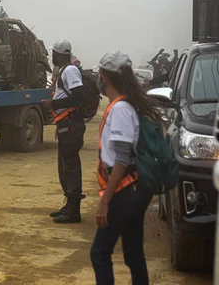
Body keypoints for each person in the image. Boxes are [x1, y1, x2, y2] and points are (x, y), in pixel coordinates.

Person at [90, 51, 158, 284]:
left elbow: (121, 159)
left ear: (105, 78)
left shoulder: (119, 109)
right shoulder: (125, 106)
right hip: (134, 190)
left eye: (99, 75)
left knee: (99, 253)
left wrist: (105, 202)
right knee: (133, 254)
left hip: (124, 190)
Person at [41, 40, 86, 224]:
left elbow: (79, 96)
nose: (52, 57)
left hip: (71, 123)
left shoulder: (70, 71)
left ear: (59, 54)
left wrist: (54, 104)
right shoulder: (64, 71)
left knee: (71, 167)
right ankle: (69, 206)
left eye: (53, 54)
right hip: (65, 124)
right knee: (65, 166)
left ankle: (74, 211)